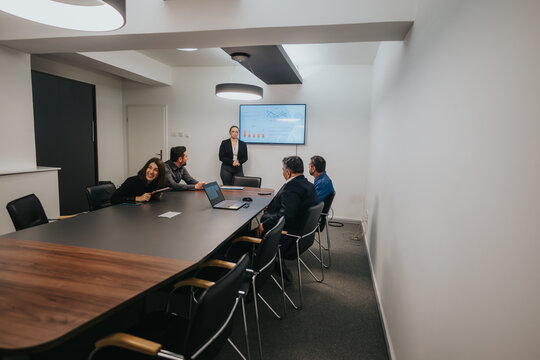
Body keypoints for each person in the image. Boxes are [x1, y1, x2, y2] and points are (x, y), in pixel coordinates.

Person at [257, 156, 319, 262]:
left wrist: (265, 225)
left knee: (239, 241)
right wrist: (272, 205)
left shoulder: (292, 187)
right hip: (302, 236)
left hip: (286, 237)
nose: (282, 173)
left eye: (283, 170)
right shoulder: (309, 185)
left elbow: (286, 215)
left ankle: (266, 264)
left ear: (288, 172)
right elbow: (293, 206)